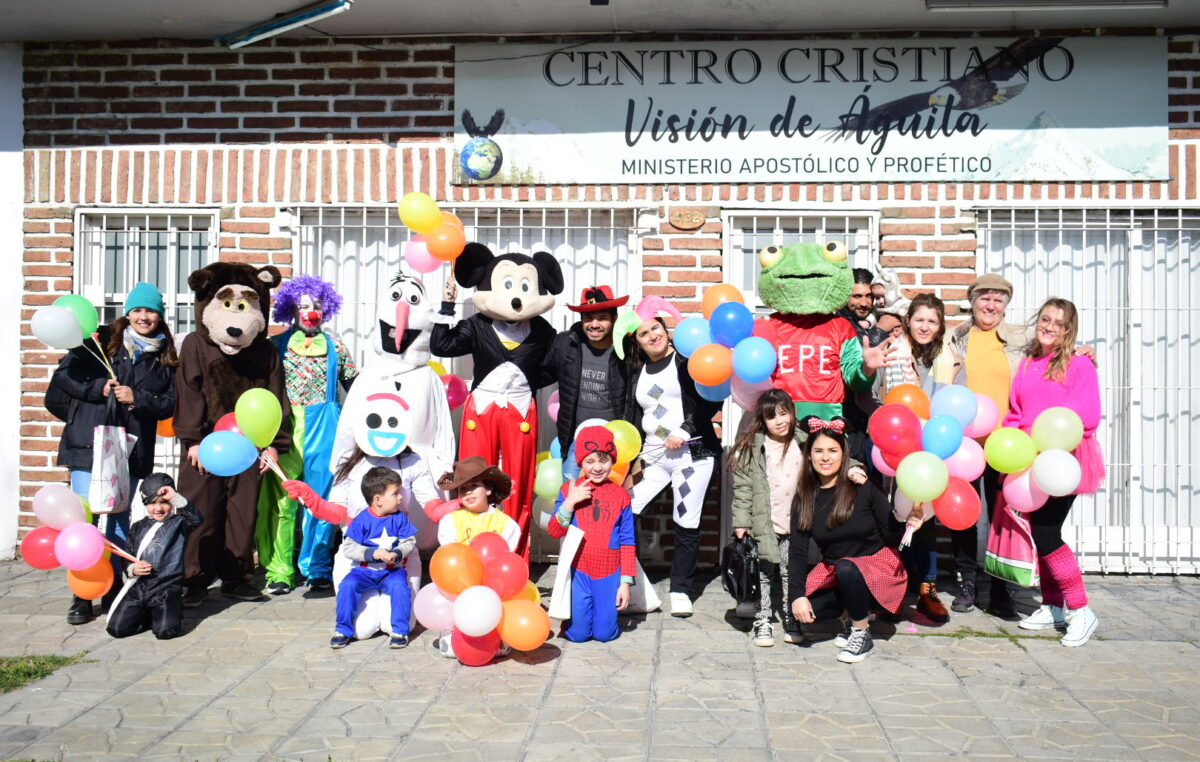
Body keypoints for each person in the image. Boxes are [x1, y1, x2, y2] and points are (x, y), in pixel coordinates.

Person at [947, 274, 1094, 618]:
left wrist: (1085, 349)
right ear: (973, 300)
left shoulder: (1020, 339)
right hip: (966, 443)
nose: (991, 305)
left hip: (1010, 446)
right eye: (985, 297)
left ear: (1006, 305)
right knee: (965, 514)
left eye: (999, 299)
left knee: (1004, 519)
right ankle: (968, 581)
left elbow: (1058, 344)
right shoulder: (956, 339)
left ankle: (1001, 588)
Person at [49, 282, 178, 625]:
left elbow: (170, 403)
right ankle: (81, 594)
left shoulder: (165, 357)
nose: (143, 317)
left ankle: (111, 589)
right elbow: (64, 377)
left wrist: (137, 398)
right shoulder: (101, 340)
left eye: (150, 311)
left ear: (160, 316)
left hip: (130, 450)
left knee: (119, 520)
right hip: (88, 445)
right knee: (85, 519)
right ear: (127, 313)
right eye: (137, 310)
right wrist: (100, 387)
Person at [729, 389, 870, 646]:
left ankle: (791, 616)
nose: (780, 421)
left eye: (784, 414)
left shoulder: (803, 440)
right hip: (765, 522)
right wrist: (741, 522)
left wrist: (854, 469)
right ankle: (762, 619)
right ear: (762, 420)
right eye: (772, 417)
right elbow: (743, 489)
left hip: (796, 522)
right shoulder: (754, 448)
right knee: (763, 573)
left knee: (790, 572)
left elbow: (829, 456)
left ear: (793, 413)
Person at [1006, 298, 1105, 647]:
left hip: (1064, 458)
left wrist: (1049, 436)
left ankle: (1081, 610)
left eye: (1058, 323)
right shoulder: (1029, 363)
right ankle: (1052, 606)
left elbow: (1089, 413)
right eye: (1044, 319)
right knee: (1039, 531)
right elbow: (1017, 409)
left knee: (1048, 533)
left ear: (1068, 330)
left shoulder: (1079, 363)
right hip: (1031, 459)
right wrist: (1012, 435)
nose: (1048, 326)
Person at [788, 417, 925, 663]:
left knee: (847, 567)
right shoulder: (805, 498)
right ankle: (848, 617)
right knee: (806, 611)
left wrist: (909, 524)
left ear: (844, 455)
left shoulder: (863, 488)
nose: (825, 457)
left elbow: (891, 536)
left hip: (877, 570)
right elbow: (797, 552)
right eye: (818, 451)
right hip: (838, 573)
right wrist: (797, 596)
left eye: (833, 451)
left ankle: (861, 633)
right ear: (809, 456)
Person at [619, 298, 721, 618]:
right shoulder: (637, 372)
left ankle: (681, 588)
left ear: (665, 328)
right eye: (643, 333)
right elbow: (634, 415)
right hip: (653, 455)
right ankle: (628, 580)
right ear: (636, 342)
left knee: (685, 521)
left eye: (656, 328)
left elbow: (707, 403)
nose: (652, 336)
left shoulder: (687, 361)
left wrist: (685, 429)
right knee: (624, 508)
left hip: (692, 455)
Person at [257, 275, 358, 595]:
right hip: (285, 430)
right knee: (283, 502)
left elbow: (354, 388)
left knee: (321, 501)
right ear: (291, 309)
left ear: (325, 309)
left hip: (325, 428)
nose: (310, 311)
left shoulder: (336, 346)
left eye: (316, 306)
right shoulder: (276, 346)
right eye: (303, 306)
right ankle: (279, 570)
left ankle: (316, 567)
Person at [877, 294, 959, 624]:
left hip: (932, 447)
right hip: (892, 444)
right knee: (890, 515)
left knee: (925, 517)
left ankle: (927, 589)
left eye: (932, 321)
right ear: (908, 320)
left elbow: (954, 403)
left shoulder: (948, 357)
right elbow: (874, 392)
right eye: (919, 319)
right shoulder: (893, 351)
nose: (925, 326)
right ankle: (887, 589)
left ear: (940, 326)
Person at [547, 426, 636, 643]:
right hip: (580, 571)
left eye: (603, 460)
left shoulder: (621, 495)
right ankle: (577, 618)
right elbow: (554, 530)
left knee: (604, 635)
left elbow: (627, 540)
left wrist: (625, 582)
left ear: (612, 460)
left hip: (609, 571)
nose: (597, 467)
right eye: (590, 461)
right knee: (578, 635)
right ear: (580, 463)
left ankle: (604, 615)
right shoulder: (569, 489)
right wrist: (570, 502)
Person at [430, 456, 521, 657]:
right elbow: (449, 558)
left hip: (493, 587)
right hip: (459, 586)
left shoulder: (506, 524)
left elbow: (505, 563)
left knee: (500, 646)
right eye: (463, 489)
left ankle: (497, 628)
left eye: (474, 486)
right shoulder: (450, 521)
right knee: (450, 649)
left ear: (488, 489)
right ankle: (452, 626)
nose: (468, 492)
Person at [540, 285, 630, 478]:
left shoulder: (628, 349)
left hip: (615, 440)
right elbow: (541, 374)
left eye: (602, 318)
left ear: (614, 319)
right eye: (588, 318)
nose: (594, 324)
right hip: (576, 439)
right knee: (570, 494)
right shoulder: (566, 344)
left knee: (611, 499)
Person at [329, 466, 418, 650]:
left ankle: (400, 630)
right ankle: (342, 630)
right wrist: (372, 554)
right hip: (364, 572)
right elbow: (349, 548)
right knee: (347, 585)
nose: (401, 497)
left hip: (391, 571)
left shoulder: (399, 518)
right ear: (378, 500)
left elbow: (409, 541)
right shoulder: (362, 520)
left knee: (400, 587)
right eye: (395, 494)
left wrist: (397, 553)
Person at [106, 474, 201, 641]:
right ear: (145, 503)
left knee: (165, 632)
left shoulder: (180, 524)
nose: (158, 508)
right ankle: (148, 616)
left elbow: (197, 518)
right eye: (152, 503)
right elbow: (127, 556)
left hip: (166, 589)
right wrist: (132, 569)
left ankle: (171, 615)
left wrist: (175, 497)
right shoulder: (137, 527)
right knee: (116, 629)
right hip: (138, 589)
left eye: (164, 502)